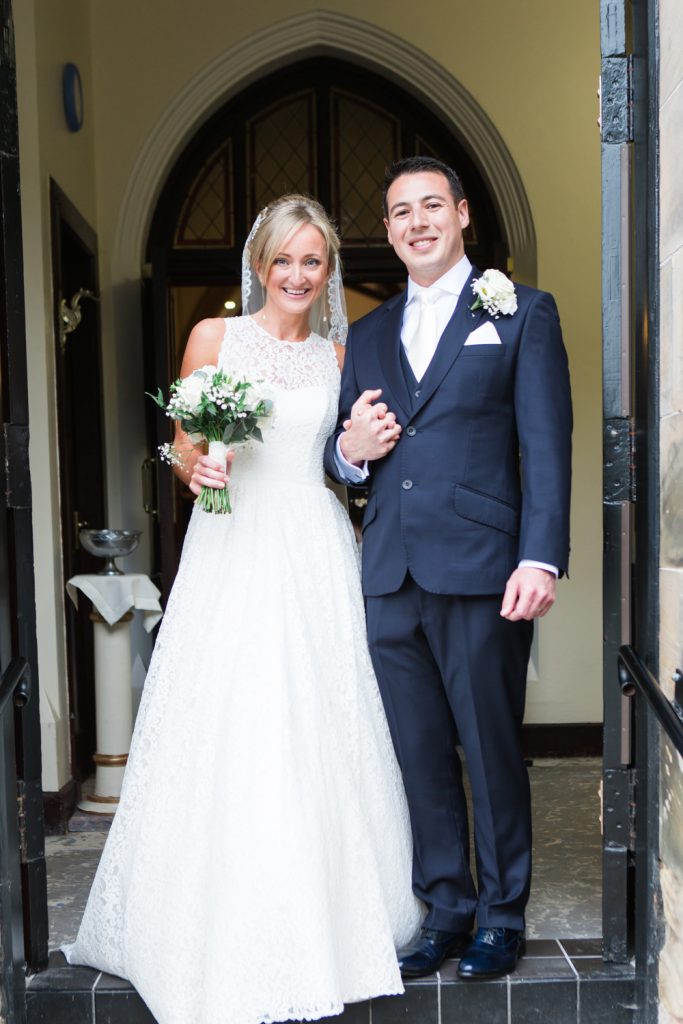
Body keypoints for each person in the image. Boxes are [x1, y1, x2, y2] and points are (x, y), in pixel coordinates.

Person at [63, 194, 422, 1024]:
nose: (297, 275)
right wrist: (195, 469)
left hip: (313, 545)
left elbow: (343, 457)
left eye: (313, 261)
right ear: (258, 265)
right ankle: (208, 921)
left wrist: (360, 454)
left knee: (319, 720)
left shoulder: (343, 354)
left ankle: (335, 919)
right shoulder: (214, 339)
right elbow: (184, 441)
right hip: (232, 549)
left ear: (329, 269)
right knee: (231, 716)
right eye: (283, 260)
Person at [324, 156, 572, 981]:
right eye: (400, 212)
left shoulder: (522, 312)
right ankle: (446, 909)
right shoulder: (363, 334)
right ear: (388, 231)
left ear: (462, 215)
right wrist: (348, 456)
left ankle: (501, 915)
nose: (416, 221)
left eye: (432, 205)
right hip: (389, 571)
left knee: (489, 745)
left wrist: (538, 554)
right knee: (418, 751)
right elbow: (340, 453)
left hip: (482, 567)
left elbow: (543, 444)